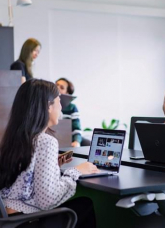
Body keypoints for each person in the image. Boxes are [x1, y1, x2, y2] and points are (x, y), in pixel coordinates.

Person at [0, 79, 99, 227]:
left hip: (9, 219)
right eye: (59, 100)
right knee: (85, 205)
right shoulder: (46, 142)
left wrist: (53, 163)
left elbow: (22, 174)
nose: (61, 106)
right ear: (48, 106)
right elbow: (47, 200)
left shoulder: (14, 138)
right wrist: (76, 171)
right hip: (27, 221)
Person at [56, 78, 83, 147]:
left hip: (67, 142)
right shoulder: (46, 104)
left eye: (61, 87)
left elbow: (76, 128)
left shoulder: (72, 107)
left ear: (67, 93)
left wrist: (76, 141)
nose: (57, 87)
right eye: (56, 85)